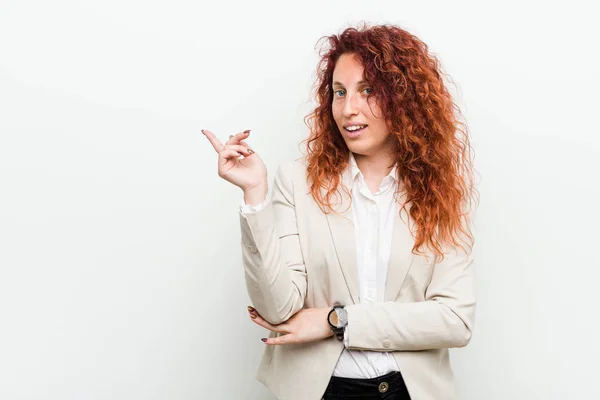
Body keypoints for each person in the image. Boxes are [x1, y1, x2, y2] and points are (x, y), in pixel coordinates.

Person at [202, 22, 477, 400]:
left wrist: (338, 321)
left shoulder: (439, 193)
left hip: (407, 392)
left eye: (368, 91)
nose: (349, 109)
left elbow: (454, 320)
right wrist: (255, 195)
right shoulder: (297, 181)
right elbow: (278, 307)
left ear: (404, 98)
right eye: (339, 92)